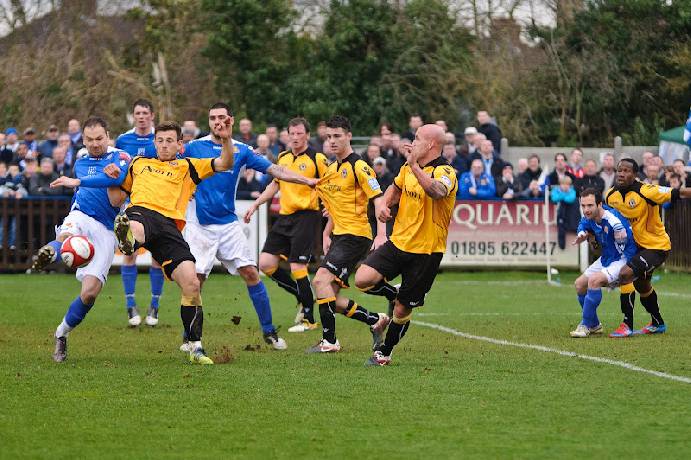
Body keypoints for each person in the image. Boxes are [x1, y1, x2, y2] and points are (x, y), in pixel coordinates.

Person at [183, 104, 318, 350]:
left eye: (222, 118)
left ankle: (269, 332)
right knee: (196, 280)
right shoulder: (193, 147)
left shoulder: (242, 151)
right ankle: (190, 337)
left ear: (231, 121)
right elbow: (169, 165)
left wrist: (305, 179)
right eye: (213, 118)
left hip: (227, 224)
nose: (217, 122)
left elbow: (274, 169)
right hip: (199, 225)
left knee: (252, 273)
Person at [106, 120, 235, 364]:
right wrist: (113, 179)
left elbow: (226, 163)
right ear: (154, 143)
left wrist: (226, 139)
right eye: (160, 141)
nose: (164, 146)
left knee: (192, 283)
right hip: (141, 213)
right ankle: (128, 240)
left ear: (180, 144)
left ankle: (195, 347)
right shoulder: (138, 163)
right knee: (134, 225)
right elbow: (115, 200)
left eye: (169, 141)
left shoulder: (188, 166)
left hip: (170, 227)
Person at [30, 116, 131, 362]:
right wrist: (105, 178)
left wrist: (113, 178)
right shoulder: (82, 160)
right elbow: (102, 178)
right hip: (82, 214)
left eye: (99, 139)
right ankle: (49, 252)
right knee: (67, 234)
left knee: (89, 294)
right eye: (89, 139)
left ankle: (61, 333)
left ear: (108, 136)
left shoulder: (123, 157)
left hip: (107, 230)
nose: (94, 144)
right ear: (83, 140)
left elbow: (116, 186)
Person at [355, 124, 457, 366]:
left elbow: (437, 192)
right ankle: (394, 293)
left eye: (417, 138)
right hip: (399, 242)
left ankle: (385, 352)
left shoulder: (447, 172)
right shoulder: (407, 169)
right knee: (362, 279)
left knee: (401, 311)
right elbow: (396, 187)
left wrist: (413, 165)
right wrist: (385, 205)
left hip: (427, 252)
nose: (412, 141)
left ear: (431, 144)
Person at [308, 115, 389, 353]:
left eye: (337, 136)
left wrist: (381, 234)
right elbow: (335, 205)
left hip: (356, 236)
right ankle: (374, 320)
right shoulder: (333, 168)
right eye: (328, 137)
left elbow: (378, 198)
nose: (332, 141)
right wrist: (326, 233)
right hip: (340, 237)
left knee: (320, 281)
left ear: (349, 136)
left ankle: (330, 341)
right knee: (329, 295)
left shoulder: (359, 166)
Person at [245, 118, 327, 332]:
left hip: (307, 216)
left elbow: (329, 185)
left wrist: (331, 208)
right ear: (288, 135)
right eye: (292, 133)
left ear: (307, 135)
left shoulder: (317, 158)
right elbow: (275, 185)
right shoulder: (282, 157)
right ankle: (301, 296)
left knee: (297, 266)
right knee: (264, 263)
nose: (296, 137)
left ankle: (309, 318)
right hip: (285, 217)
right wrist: (256, 204)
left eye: (300, 133)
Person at [604, 158, 691, 336]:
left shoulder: (647, 191)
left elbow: (679, 192)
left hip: (656, 246)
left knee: (625, 273)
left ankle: (626, 325)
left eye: (627, 170)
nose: (621, 173)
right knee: (642, 285)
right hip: (635, 248)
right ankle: (658, 323)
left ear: (635, 175)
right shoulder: (610, 196)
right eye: (620, 170)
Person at [114, 99, 163, 327]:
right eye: (137, 113)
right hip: (132, 203)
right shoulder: (123, 140)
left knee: (157, 255)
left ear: (152, 115)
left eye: (145, 112)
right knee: (129, 252)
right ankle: (130, 305)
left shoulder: (160, 139)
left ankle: (154, 306)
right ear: (133, 116)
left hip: (157, 203)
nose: (141, 116)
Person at [570, 188, 636, 337]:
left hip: (621, 258)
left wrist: (628, 270)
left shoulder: (614, 222)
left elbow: (629, 247)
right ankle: (594, 325)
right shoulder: (589, 216)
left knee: (594, 281)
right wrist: (582, 233)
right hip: (607, 257)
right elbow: (583, 223)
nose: (586, 210)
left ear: (599, 204)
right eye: (583, 206)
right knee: (580, 284)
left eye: (590, 205)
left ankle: (585, 325)